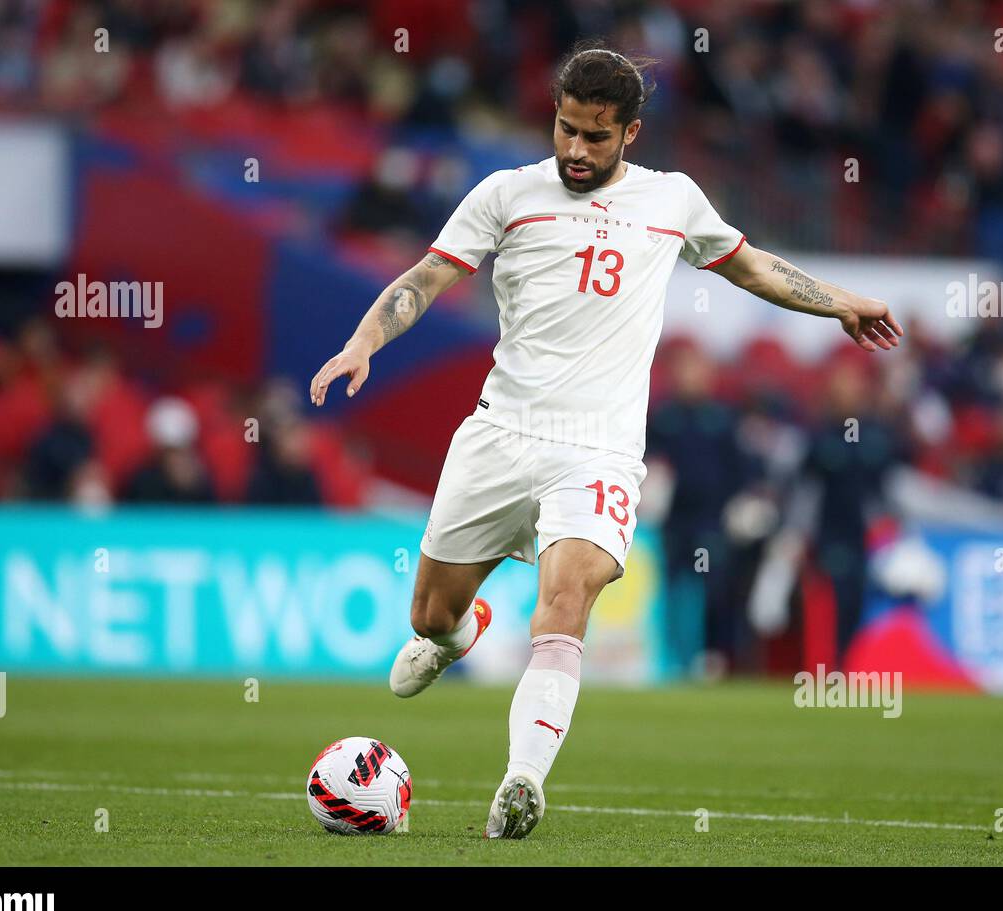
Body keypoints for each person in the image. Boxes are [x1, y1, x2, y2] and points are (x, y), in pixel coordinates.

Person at [309, 43, 902, 840]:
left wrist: (841, 303)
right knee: (428, 614)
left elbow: (755, 268)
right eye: (565, 130)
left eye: (594, 135)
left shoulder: (674, 201)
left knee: (565, 604)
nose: (575, 150)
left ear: (631, 133)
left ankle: (522, 781)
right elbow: (425, 278)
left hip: (599, 448)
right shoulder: (505, 194)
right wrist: (364, 341)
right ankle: (461, 634)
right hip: (500, 432)